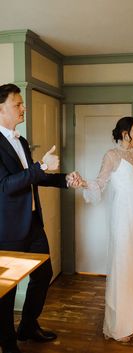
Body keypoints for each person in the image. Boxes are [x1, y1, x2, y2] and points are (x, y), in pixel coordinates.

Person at [72, 116, 133, 342]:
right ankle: (122, 324)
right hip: (123, 222)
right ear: (124, 133)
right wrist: (84, 183)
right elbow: (99, 183)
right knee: (124, 266)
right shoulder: (112, 156)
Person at [0, 83, 76, 353]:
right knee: (6, 293)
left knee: (43, 275)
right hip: (6, 229)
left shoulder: (20, 141)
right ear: (1, 109)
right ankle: (7, 344)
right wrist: (40, 165)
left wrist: (65, 180)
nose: (23, 108)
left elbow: (33, 177)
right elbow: (7, 185)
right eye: (17, 104)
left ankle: (28, 326)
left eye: (22, 103)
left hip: (33, 223)